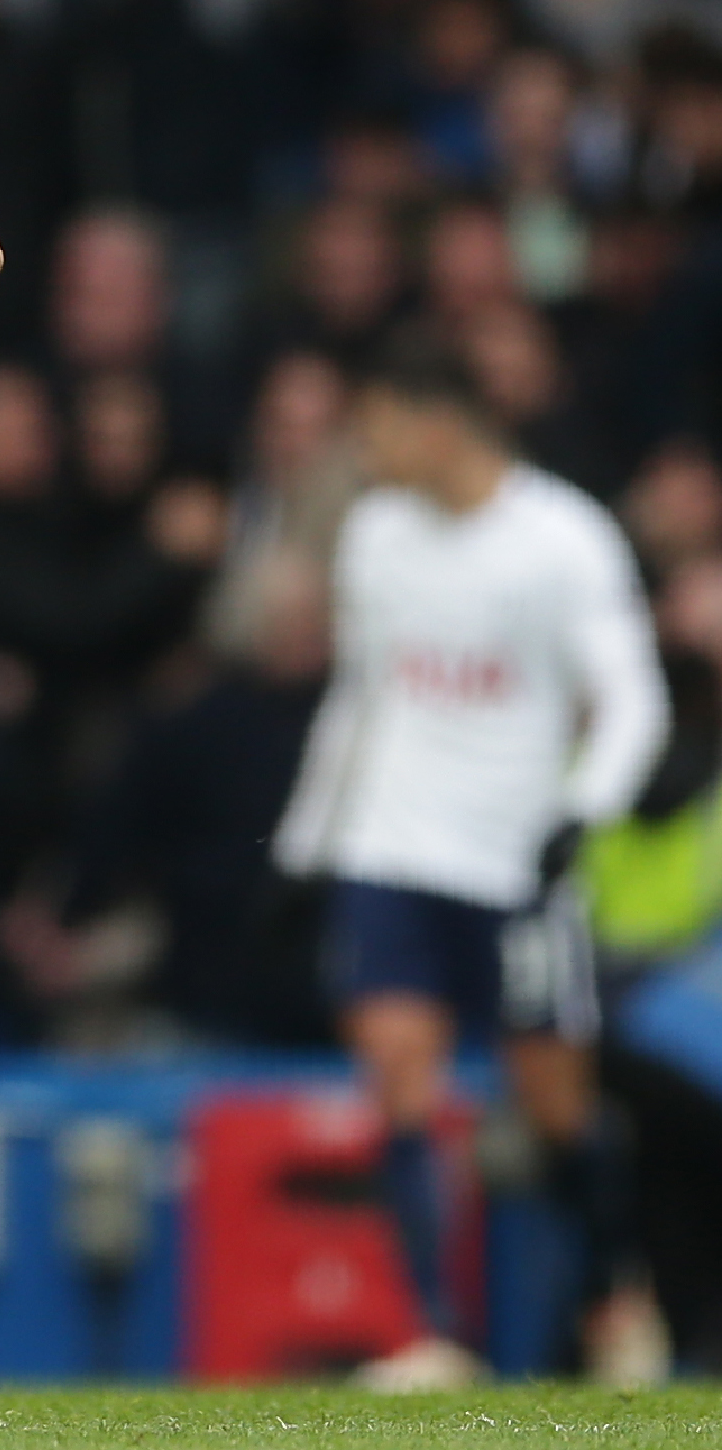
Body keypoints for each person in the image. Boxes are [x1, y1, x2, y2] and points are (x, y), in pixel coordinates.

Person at [273, 333, 669, 1390]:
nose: (367, 451)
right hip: (392, 847)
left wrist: (583, 810)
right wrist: (310, 837)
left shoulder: (564, 537)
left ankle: (614, 1302)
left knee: (557, 1109)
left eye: (380, 428)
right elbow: (361, 692)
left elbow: (633, 695)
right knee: (400, 1079)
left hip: (515, 860)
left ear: (439, 421)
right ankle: (438, 1336)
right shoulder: (374, 535)